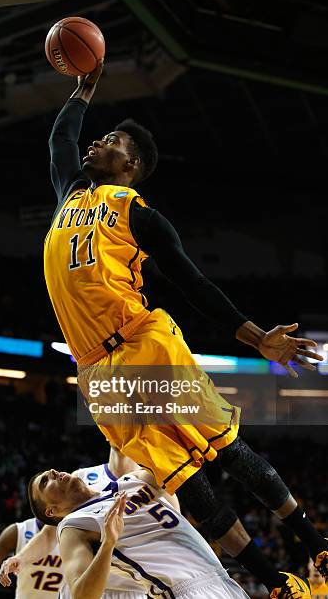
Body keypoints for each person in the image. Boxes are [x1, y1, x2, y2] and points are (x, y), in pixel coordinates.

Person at [43, 60, 327, 598]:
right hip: (96, 372)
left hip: (140, 343)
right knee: (182, 479)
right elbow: (60, 138)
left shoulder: (137, 213)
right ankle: (275, 585)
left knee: (221, 447)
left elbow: (194, 285)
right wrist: (83, 91)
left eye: (112, 139)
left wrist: (256, 336)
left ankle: (315, 543)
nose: (98, 141)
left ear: (132, 164)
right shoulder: (70, 195)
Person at [24, 466, 249, 598]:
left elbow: (175, 467)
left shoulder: (131, 481)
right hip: (183, 591)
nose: (53, 471)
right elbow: (82, 595)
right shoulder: (74, 525)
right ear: (52, 511)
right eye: (45, 482)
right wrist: (108, 544)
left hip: (222, 579)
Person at [0, 446, 164, 598]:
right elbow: (48, 534)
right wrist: (21, 557)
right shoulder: (79, 479)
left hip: (133, 589)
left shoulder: (149, 479)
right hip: (86, 585)